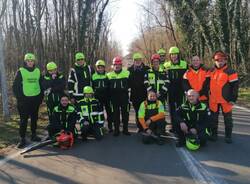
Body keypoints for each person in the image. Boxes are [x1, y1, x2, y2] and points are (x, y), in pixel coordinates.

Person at [13, 53, 43, 148]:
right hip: (24, 100)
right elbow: (15, 87)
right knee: (23, 120)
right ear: (25, 61)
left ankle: (33, 135)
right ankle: (22, 138)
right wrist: (20, 98)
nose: (30, 62)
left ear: (34, 62)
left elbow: (41, 84)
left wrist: (40, 97)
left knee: (34, 118)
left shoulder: (38, 71)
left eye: (32, 61)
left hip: (35, 99)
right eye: (28, 61)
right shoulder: (20, 71)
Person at [209, 51, 239, 143]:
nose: (220, 62)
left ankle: (228, 136)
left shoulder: (230, 72)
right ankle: (214, 135)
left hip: (226, 100)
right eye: (217, 60)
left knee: (228, 119)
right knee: (213, 119)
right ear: (214, 61)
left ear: (225, 60)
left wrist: (233, 99)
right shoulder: (211, 71)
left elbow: (235, 86)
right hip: (213, 100)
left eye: (222, 60)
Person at [164, 46, 188, 132]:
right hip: (170, 90)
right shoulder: (166, 65)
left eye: (175, 54)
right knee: (171, 109)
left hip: (180, 90)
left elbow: (187, 77)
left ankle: (180, 125)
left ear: (178, 55)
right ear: (170, 55)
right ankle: (173, 126)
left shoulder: (184, 64)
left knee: (180, 108)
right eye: (172, 54)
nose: (174, 56)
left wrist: (187, 89)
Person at [107, 56, 131, 136]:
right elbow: (107, 87)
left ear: (121, 65)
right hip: (114, 98)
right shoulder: (109, 75)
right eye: (115, 65)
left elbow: (131, 85)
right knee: (115, 114)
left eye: (119, 64)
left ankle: (125, 129)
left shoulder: (127, 73)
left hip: (124, 97)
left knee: (125, 114)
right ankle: (116, 130)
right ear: (113, 65)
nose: (117, 66)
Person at [128, 52, 150, 133]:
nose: (137, 61)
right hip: (134, 95)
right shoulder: (129, 70)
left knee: (145, 111)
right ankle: (139, 127)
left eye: (139, 60)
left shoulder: (147, 69)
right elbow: (127, 83)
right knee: (137, 112)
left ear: (141, 60)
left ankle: (146, 127)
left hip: (145, 94)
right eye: (136, 60)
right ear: (133, 61)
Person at [92, 60, 113, 132]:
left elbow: (110, 86)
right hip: (98, 97)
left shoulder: (107, 75)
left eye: (102, 67)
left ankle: (110, 126)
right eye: (99, 67)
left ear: (104, 68)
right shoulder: (93, 76)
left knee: (109, 112)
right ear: (96, 68)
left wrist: (110, 96)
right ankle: (101, 126)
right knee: (100, 112)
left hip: (107, 97)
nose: (100, 69)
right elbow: (92, 87)